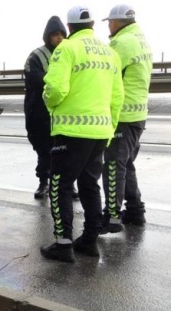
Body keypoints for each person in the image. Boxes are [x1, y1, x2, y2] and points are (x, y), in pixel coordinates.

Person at [40, 5, 124, 262]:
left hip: (71, 131)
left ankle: (63, 243)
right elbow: (117, 97)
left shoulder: (66, 48)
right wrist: (109, 128)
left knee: (59, 185)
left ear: (69, 27)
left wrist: (50, 104)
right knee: (90, 186)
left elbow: (55, 88)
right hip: (100, 131)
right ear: (92, 25)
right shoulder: (110, 54)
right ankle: (89, 240)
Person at [100, 4, 153, 233]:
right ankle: (135, 212)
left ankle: (111, 217)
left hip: (123, 114)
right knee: (126, 164)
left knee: (113, 165)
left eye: (110, 22)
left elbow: (105, 73)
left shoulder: (122, 43)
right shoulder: (141, 39)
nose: (109, 26)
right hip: (138, 113)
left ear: (118, 21)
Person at [24, 16, 67, 199]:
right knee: (43, 148)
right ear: (48, 36)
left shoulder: (69, 52)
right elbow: (33, 78)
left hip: (63, 108)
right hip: (40, 109)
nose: (59, 38)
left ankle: (67, 185)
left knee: (65, 149)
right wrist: (55, 80)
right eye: (55, 35)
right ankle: (43, 182)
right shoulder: (37, 55)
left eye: (61, 34)